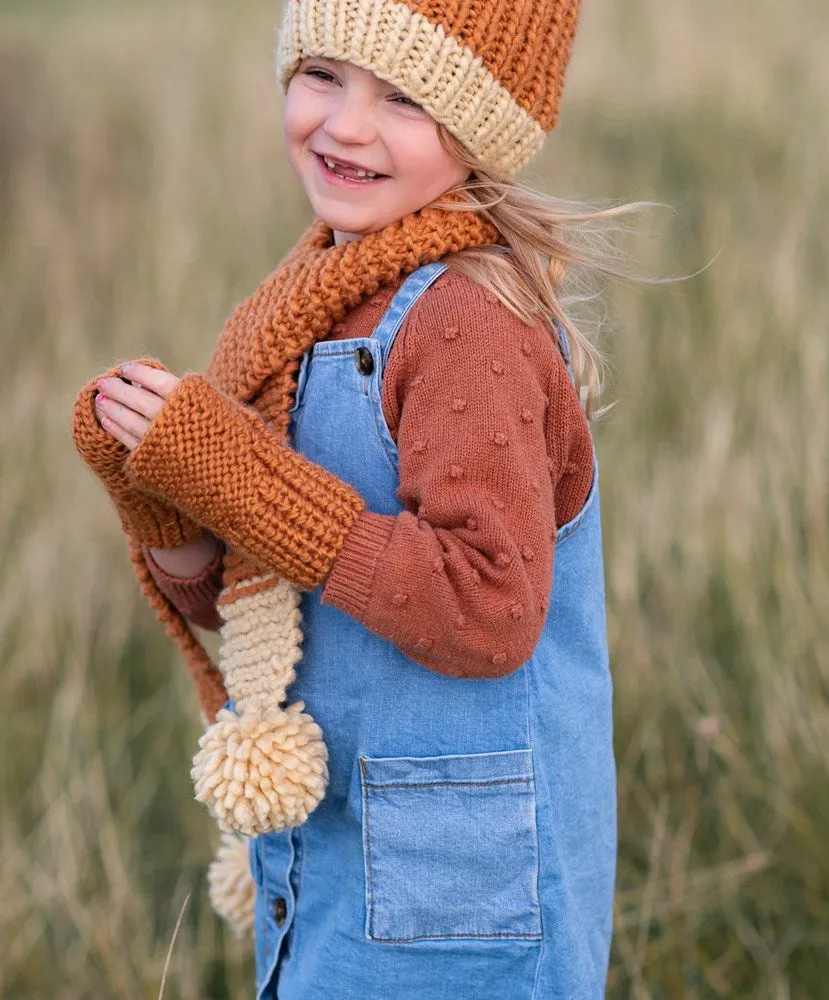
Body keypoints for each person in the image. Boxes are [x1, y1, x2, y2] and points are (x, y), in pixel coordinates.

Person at [71, 1, 639, 996]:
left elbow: (487, 607)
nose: (345, 125)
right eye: (323, 72)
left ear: (482, 126)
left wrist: (241, 482)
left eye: (407, 97)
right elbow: (262, 597)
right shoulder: (308, 297)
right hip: (330, 847)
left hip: (462, 888)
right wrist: (164, 504)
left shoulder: (466, 324)